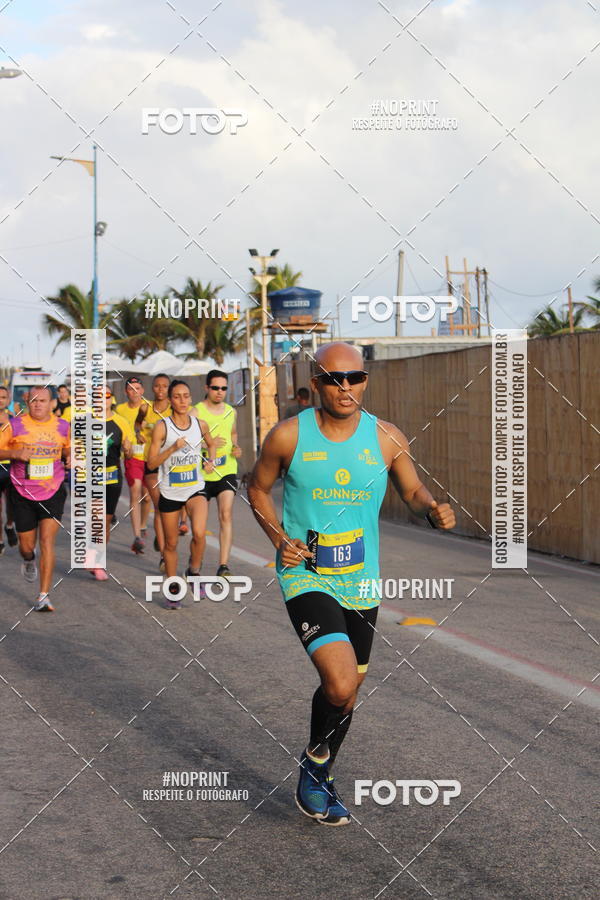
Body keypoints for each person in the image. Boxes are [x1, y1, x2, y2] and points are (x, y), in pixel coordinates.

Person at [248, 342, 456, 825]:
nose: (345, 387)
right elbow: (256, 486)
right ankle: (317, 770)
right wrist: (279, 538)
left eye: (354, 378)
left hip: (361, 581)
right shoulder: (288, 436)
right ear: (316, 383)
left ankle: (318, 766)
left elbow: (411, 489)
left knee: (348, 692)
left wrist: (431, 508)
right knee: (339, 680)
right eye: (333, 379)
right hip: (307, 575)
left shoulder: (385, 437)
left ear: (365, 381)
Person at [147, 380, 216, 609]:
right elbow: (151, 463)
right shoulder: (162, 427)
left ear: (191, 398)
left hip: (195, 487)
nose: (183, 401)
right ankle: (173, 588)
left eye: (186, 396)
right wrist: (172, 448)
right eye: (177, 397)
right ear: (170, 400)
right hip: (170, 491)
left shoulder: (200, 424)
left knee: (199, 533)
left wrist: (210, 461)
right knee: (171, 544)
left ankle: (193, 572)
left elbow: (211, 444)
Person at [0, 385, 70, 612]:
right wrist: (14, 453)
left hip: (53, 490)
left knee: (47, 541)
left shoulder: (63, 426)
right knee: (26, 546)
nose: (38, 404)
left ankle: (44, 596)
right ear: (27, 402)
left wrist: (70, 457)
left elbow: (69, 449)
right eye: (34, 400)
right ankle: (29, 559)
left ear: (51, 403)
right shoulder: (15, 425)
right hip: (22, 492)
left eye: (43, 400)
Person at [194, 370, 242, 578]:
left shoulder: (231, 411)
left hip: (226, 470)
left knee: (226, 514)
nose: (220, 392)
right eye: (215, 388)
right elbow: (187, 441)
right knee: (199, 527)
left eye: (224, 388)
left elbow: (233, 434)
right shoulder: (195, 412)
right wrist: (208, 443)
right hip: (202, 473)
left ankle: (223, 565)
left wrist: (236, 447)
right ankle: (196, 561)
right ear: (207, 388)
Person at [86, 388, 134, 580]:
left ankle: (97, 561)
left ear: (111, 399)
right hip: (90, 477)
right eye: (97, 396)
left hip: (112, 477)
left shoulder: (121, 422)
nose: (102, 399)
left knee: (105, 522)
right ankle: (91, 552)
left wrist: (128, 450)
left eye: (106, 396)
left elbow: (129, 454)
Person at [135, 373, 171, 570]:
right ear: (152, 388)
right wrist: (138, 433)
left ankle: (162, 534)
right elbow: (137, 424)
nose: (160, 389)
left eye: (164, 386)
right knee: (159, 506)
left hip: (172, 463)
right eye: (157, 386)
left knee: (171, 508)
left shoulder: (174, 408)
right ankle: (165, 556)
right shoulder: (145, 408)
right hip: (151, 462)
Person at [115, 376, 150, 554]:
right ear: (126, 391)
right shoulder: (120, 410)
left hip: (150, 457)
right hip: (132, 457)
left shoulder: (150, 407)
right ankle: (137, 537)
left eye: (137, 388)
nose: (134, 392)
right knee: (135, 490)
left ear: (142, 390)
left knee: (147, 497)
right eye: (131, 389)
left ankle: (142, 525)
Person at [0, 386, 17, 552]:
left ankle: (10, 525)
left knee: (12, 504)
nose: (0, 400)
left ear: (8, 400)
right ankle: (0, 541)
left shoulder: (13, 420)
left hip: (10, 466)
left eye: (3, 397)